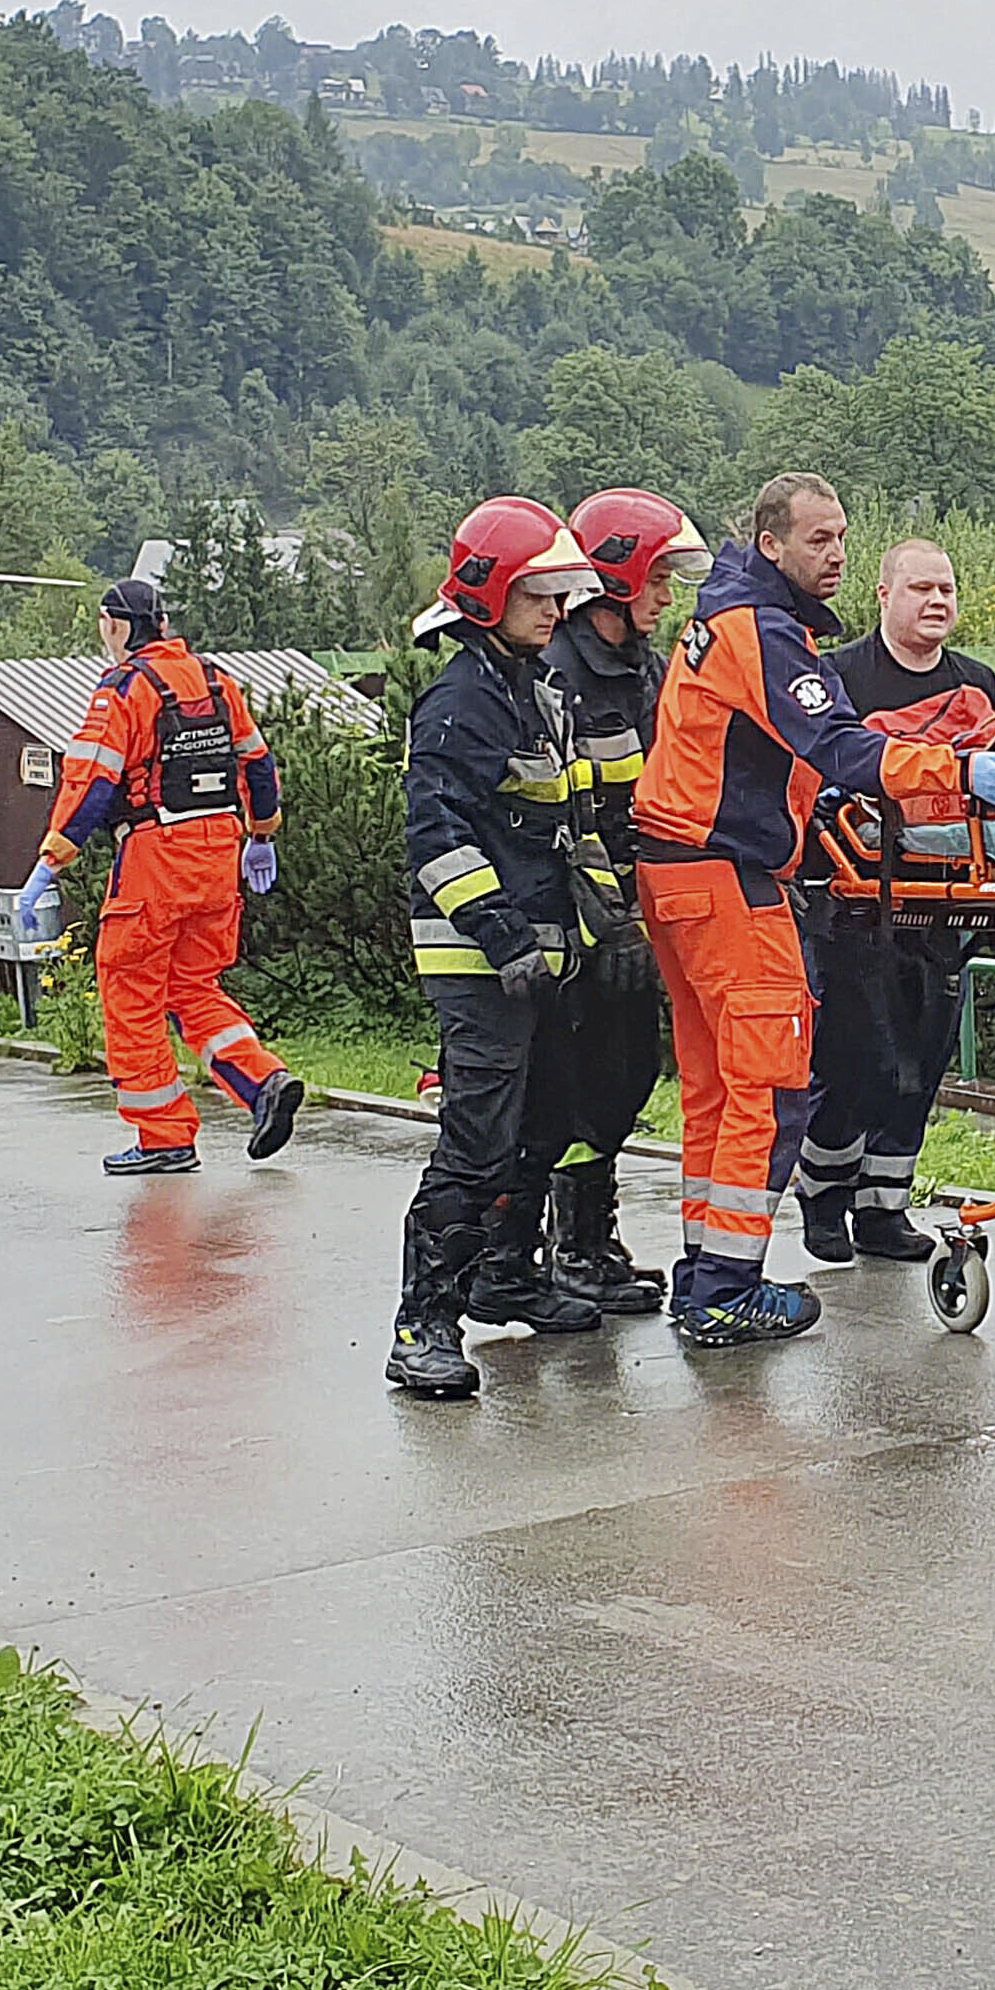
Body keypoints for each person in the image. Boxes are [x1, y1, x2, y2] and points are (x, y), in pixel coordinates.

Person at [627, 475, 995, 1347]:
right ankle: (726, 1288)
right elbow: (837, 746)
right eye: (819, 539)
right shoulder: (759, 634)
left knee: (715, 1091)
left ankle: (703, 1273)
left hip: (680, 876)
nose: (837, 554)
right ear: (771, 544)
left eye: (843, 536)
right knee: (771, 1090)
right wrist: (955, 773)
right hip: (728, 877)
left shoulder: (728, 622)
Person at [388, 498, 618, 1397]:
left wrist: (612, 928)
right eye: (537, 592)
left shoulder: (530, 687)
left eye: (561, 592)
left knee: (547, 1123)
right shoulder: (462, 699)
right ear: (488, 594)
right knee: (477, 1142)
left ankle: (505, 1276)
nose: (554, 609)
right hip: (477, 958)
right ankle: (422, 1323)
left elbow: (566, 827)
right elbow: (435, 834)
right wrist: (504, 937)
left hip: (543, 953)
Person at [17, 578, 307, 1177]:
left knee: (131, 992)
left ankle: (163, 1137)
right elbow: (256, 761)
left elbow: (92, 782)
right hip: (220, 855)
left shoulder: (124, 690)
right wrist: (263, 834)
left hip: (155, 856)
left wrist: (50, 862)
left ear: (118, 626)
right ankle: (263, 1083)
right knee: (193, 987)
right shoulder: (216, 681)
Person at [798, 540, 995, 1263]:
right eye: (920, 586)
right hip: (855, 904)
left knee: (920, 1065)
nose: (937, 600)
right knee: (859, 1061)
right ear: (884, 594)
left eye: (947, 587)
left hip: (944, 906)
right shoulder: (840, 678)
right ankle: (823, 1201)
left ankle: (884, 1208)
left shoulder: (977, 684)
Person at [539, 487, 710, 1316]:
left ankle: (587, 1234)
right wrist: (610, 925)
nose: (666, 597)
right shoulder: (563, 672)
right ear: (616, 576)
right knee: (583, 1075)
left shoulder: (639, 665)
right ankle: (569, 1240)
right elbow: (572, 819)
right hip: (584, 917)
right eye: (656, 580)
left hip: (640, 902)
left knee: (628, 1069)